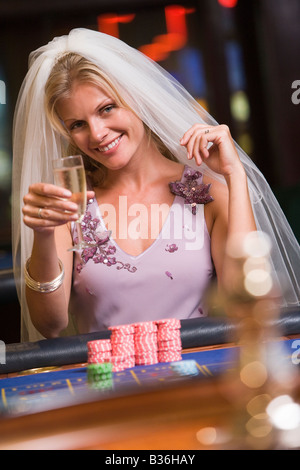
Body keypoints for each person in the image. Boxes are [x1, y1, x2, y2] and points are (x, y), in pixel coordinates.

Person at [12, 28, 300, 342]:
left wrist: (235, 175)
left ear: (139, 100)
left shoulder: (207, 192)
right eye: (78, 124)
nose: (96, 134)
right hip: (107, 384)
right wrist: (42, 235)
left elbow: (246, 302)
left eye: (107, 108)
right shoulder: (71, 205)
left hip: (199, 376)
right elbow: (49, 324)